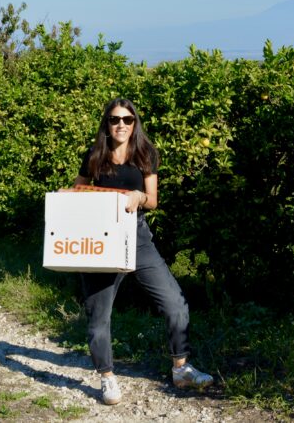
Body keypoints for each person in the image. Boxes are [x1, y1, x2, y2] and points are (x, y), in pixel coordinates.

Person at [71, 97, 214, 406]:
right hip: (101, 241)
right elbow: (76, 191)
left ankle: (181, 368)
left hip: (137, 238)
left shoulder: (145, 154)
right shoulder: (95, 155)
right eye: (114, 119)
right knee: (99, 317)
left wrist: (136, 195)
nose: (120, 124)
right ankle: (107, 377)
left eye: (127, 119)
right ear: (106, 124)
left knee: (175, 303)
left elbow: (152, 200)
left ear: (134, 123)